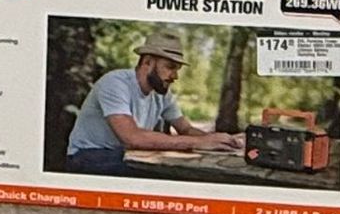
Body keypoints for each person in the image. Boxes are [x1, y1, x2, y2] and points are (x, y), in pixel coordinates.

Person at [64, 28, 242, 174]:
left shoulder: (162, 93)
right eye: (170, 67)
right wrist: (199, 143)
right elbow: (132, 137)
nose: (175, 76)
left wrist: (217, 140)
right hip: (88, 156)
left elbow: (185, 129)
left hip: (127, 155)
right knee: (167, 176)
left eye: (177, 69)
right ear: (147, 62)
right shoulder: (114, 83)